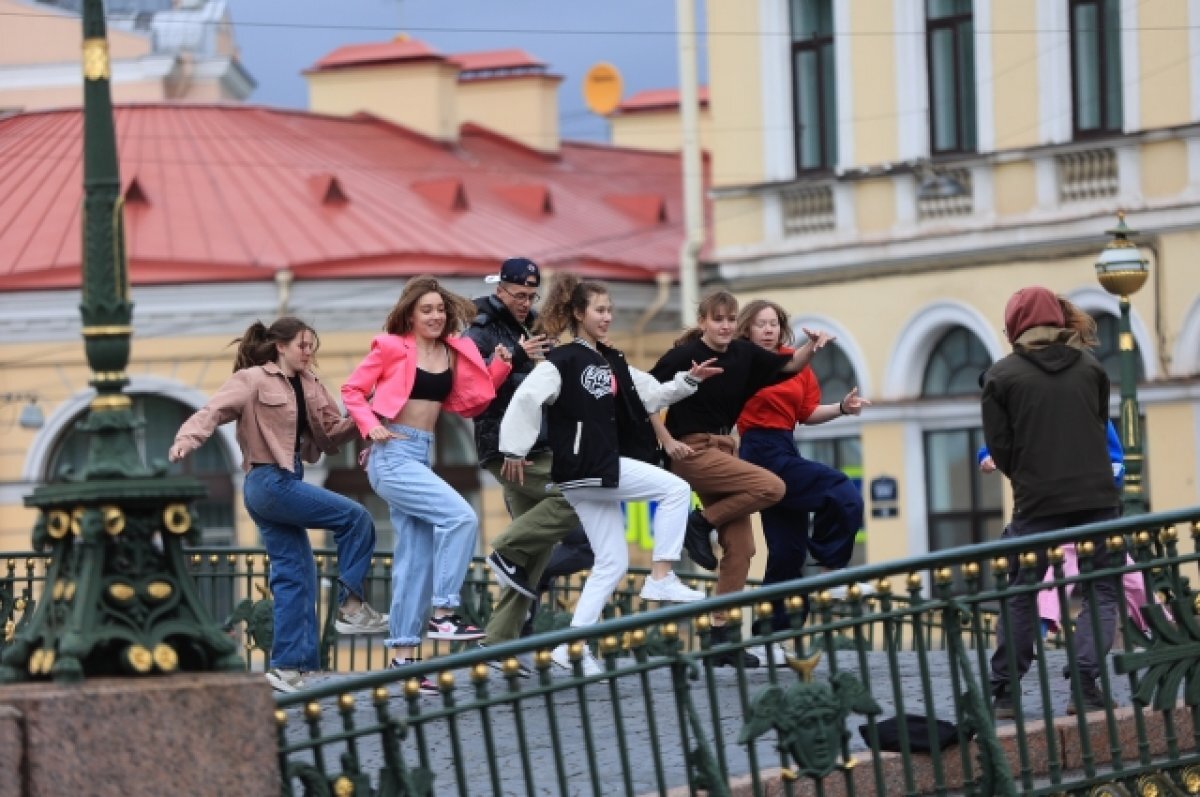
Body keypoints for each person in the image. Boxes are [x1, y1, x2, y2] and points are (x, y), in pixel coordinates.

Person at [499, 274, 720, 675]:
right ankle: (661, 575)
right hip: (589, 466)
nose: (607, 316)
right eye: (600, 310)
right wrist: (514, 447)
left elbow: (651, 392)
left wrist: (688, 382)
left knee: (612, 563)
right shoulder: (563, 359)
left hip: (588, 477)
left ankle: (572, 648)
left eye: (610, 310)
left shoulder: (611, 359)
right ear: (580, 313)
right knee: (676, 489)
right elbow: (529, 396)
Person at [170, 317, 387, 694]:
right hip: (267, 481)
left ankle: (289, 668)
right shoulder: (253, 379)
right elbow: (213, 411)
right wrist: (187, 439)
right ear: (280, 346)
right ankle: (350, 606)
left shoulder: (313, 386)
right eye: (302, 345)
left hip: (287, 482)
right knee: (355, 517)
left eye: (312, 346)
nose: (309, 352)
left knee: (295, 573)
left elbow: (332, 433)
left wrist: (369, 410)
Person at [342, 276, 512, 690]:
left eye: (440, 309)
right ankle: (445, 613)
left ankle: (404, 659)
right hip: (393, 457)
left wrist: (501, 367)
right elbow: (352, 390)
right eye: (427, 310)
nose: (435, 316)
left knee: (415, 559)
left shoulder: (451, 351)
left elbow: (468, 401)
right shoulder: (390, 347)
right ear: (411, 314)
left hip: (421, 454)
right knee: (462, 518)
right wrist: (370, 427)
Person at [649, 291, 832, 667]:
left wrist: (811, 347)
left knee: (743, 549)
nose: (726, 326)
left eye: (731, 319)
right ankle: (699, 522)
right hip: (692, 450)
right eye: (718, 319)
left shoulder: (744, 354)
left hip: (723, 446)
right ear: (703, 322)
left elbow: (789, 367)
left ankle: (720, 639)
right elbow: (644, 397)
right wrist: (666, 442)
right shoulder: (684, 356)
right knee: (772, 487)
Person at [982, 286, 1121, 718]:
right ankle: (1085, 684)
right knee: (1102, 589)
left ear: (1015, 326)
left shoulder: (1001, 376)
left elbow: (999, 446)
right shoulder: (1091, 367)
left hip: (1036, 502)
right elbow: (1098, 425)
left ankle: (1005, 691)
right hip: (1097, 498)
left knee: (1022, 590)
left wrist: (1026, 477)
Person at [462, 257, 585, 666]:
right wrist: (517, 357)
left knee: (533, 554)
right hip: (504, 448)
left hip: (538, 444)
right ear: (500, 290)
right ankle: (501, 549)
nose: (525, 302)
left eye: (531, 295)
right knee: (579, 491)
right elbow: (475, 390)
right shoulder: (479, 330)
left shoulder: (532, 323)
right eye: (518, 295)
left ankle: (496, 642)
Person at [734, 299, 870, 639]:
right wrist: (811, 346)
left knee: (787, 552)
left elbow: (807, 413)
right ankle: (831, 569)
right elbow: (783, 367)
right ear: (747, 329)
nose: (768, 330)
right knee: (841, 490)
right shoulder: (745, 361)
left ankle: (772, 636)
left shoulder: (799, 368)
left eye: (774, 324)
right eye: (761, 324)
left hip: (785, 445)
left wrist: (841, 407)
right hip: (760, 451)